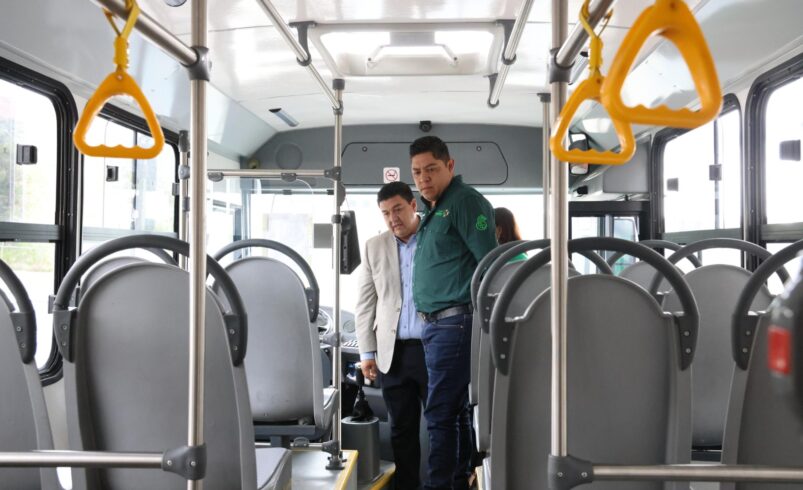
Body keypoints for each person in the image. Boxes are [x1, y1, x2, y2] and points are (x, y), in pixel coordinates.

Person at [410, 136, 497, 490]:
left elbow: (489, 264)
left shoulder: (465, 202)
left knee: (440, 413)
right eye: (417, 172)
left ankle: (440, 485)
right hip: (438, 326)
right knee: (455, 410)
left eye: (431, 169)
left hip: (456, 322)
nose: (423, 178)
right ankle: (458, 481)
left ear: (450, 166)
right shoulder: (435, 208)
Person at [355, 181, 428, 490]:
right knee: (401, 430)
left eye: (397, 209)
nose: (392, 218)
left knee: (443, 427)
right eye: (385, 213)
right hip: (393, 353)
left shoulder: (435, 236)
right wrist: (367, 353)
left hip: (433, 348)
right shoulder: (374, 246)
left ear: (413, 205)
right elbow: (365, 303)